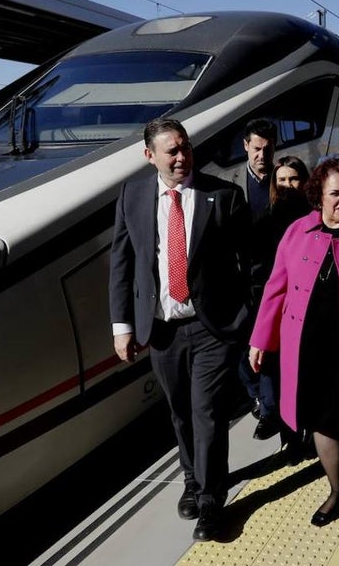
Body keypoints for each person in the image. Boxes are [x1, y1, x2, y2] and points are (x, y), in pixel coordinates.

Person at [109, 117, 251, 542]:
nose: (181, 157)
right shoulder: (132, 195)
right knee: (180, 412)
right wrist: (122, 325)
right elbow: (122, 263)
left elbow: (250, 264)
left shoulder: (223, 195)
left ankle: (210, 501)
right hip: (162, 330)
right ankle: (191, 477)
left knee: (207, 411)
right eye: (171, 150)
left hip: (211, 328)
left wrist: (246, 318)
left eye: (185, 147)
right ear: (149, 155)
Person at [248, 158, 339, 527]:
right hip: (308, 343)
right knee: (322, 421)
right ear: (319, 196)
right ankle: (337, 489)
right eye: (336, 193)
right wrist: (261, 339)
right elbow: (276, 288)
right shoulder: (297, 232)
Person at [205, 118, 279, 438]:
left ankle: (269, 410)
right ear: (246, 146)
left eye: (268, 148)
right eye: (257, 148)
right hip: (241, 282)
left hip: (277, 280)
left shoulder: (284, 179)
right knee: (239, 350)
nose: (262, 155)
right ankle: (256, 395)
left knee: (266, 347)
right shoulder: (227, 183)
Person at [248, 155, 312, 442]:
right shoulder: (264, 219)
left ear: (305, 182)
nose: (287, 185)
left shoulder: (315, 217)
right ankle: (288, 432)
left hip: (310, 306)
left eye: (293, 179)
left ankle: (311, 432)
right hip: (277, 307)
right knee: (277, 371)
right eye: (282, 179)